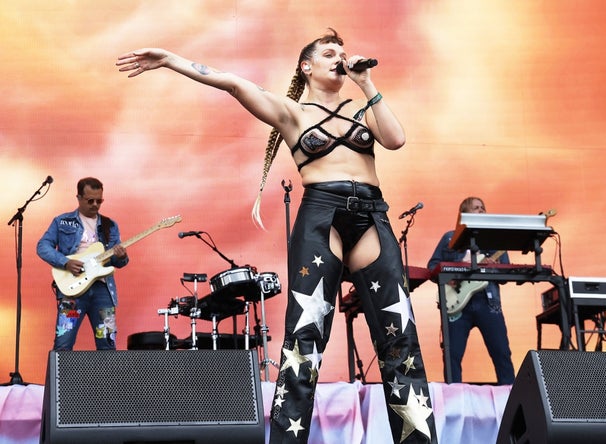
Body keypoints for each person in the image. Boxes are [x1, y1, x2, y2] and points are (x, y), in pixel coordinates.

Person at [116, 29, 437, 443]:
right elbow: (233, 83)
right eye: (329, 53)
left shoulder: (363, 108)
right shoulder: (291, 112)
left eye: (342, 53)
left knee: (399, 334)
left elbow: (396, 139)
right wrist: (170, 60)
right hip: (322, 213)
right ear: (306, 67)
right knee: (305, 337)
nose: (339, 58)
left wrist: (366, 82)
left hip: (371, 213)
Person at [427, 196, 515, 385]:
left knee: (501, 353)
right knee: (452, 355)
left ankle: (511, 396)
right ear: (464, 213)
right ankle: (453, 397)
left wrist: (494, 267)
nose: (481, 210)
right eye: (476, 208)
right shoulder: (449, 238)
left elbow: (506, 275)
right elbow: (432, 266)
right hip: (457, 306)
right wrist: (451, 276)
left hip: (488, 303)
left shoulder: (495, 240)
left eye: (483, 208)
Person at [37, 177, 129, 351]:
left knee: (107, 345)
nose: (95, 205)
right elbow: (43, 246)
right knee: (63, 344)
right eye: (90, 200)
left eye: (99, 201)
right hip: (72, 291)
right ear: (78, 198)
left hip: (102, 290)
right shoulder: (62, 221)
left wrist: (121, 256)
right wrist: (65, 262)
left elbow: (117, 262)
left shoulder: (110, 225)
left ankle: (107, 372)